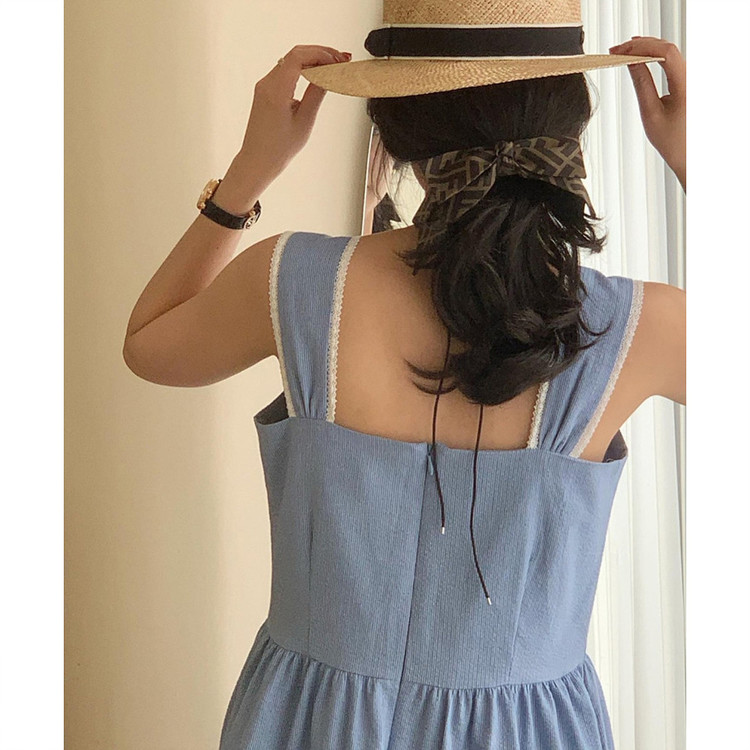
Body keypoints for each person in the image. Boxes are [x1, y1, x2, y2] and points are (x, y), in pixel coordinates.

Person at [122, 1, 686, 747]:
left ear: (392, 134)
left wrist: (248, 173)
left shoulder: (298, 281)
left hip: (306, 722)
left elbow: (149, 345)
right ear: (571, 124)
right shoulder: (641, 326)